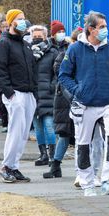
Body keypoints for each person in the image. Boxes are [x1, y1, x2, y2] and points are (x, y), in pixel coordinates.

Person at [58, 11, 109, 197]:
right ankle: (87, 183)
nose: (105, 30)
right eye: (101, 27)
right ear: (90, 29)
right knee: (83, 144)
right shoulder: (75, 49)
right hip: (85, 105)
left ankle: (108, 180)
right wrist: (77, 91)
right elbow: (63, 75)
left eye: (105, 26)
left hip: (108, 103)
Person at [0, 9, 37, 184]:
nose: (23, 22)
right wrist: (9, 93)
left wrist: (34, 91)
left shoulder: (24, 44)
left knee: (23, 132)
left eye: (24, 19)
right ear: (11, 22)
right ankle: (6, 166)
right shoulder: (3, 43)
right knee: (15, 131)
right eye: (19, 19)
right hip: (15, 93)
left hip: (28, 93)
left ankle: (14, 165)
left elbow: (32, 68)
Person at [44, 20, 73, 179]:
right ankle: (55, 165)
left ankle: (56, 165)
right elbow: (59, 75)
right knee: (64, 133)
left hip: (67, 97)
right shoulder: (64, 56)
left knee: (69, 135)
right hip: (65, 99)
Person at [30, 25, 58, 167]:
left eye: (39, 36)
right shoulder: (27, 52)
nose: (37, 39)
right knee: (38, 127)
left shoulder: (52, 52)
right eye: (34, 37)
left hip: (48, 94)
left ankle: (53, 155)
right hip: (33, 95)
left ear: (46, 36)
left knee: (48, 125)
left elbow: (57, 73)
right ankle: (43, 155)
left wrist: (51, 87)